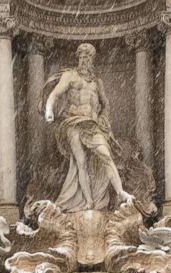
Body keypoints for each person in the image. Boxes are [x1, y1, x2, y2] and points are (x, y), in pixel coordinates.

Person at [44, 43, 134, 212]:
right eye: (82, 56)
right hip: (73, 122)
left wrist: (104, 118)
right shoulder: (70, 76)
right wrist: (49, 110)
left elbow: (105, 104)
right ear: (78, 58)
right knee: (81, 162)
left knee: (106, 155)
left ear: (93, 59)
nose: (85, 59)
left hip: (92, 125)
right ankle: (88, 202)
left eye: (89, 56)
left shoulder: (97, 83)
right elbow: (55, 94)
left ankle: (120, 192)